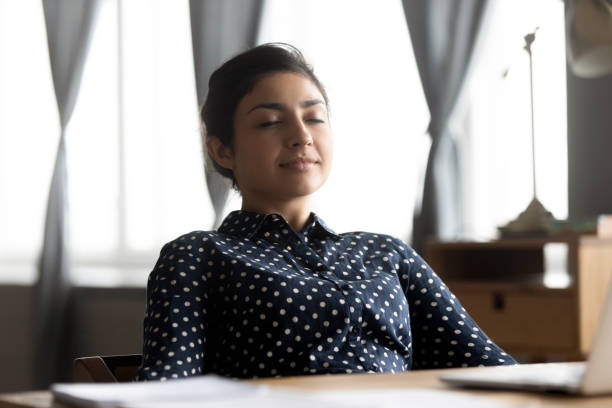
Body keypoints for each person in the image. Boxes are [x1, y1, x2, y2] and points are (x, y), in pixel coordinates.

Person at [134, 43, 516, 381]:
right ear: (222, 150)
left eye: (314, 117)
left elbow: (491, 369)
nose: (302, 135)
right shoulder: (198, 256)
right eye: (270, 121)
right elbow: (168, 393)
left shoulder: (386, 254)